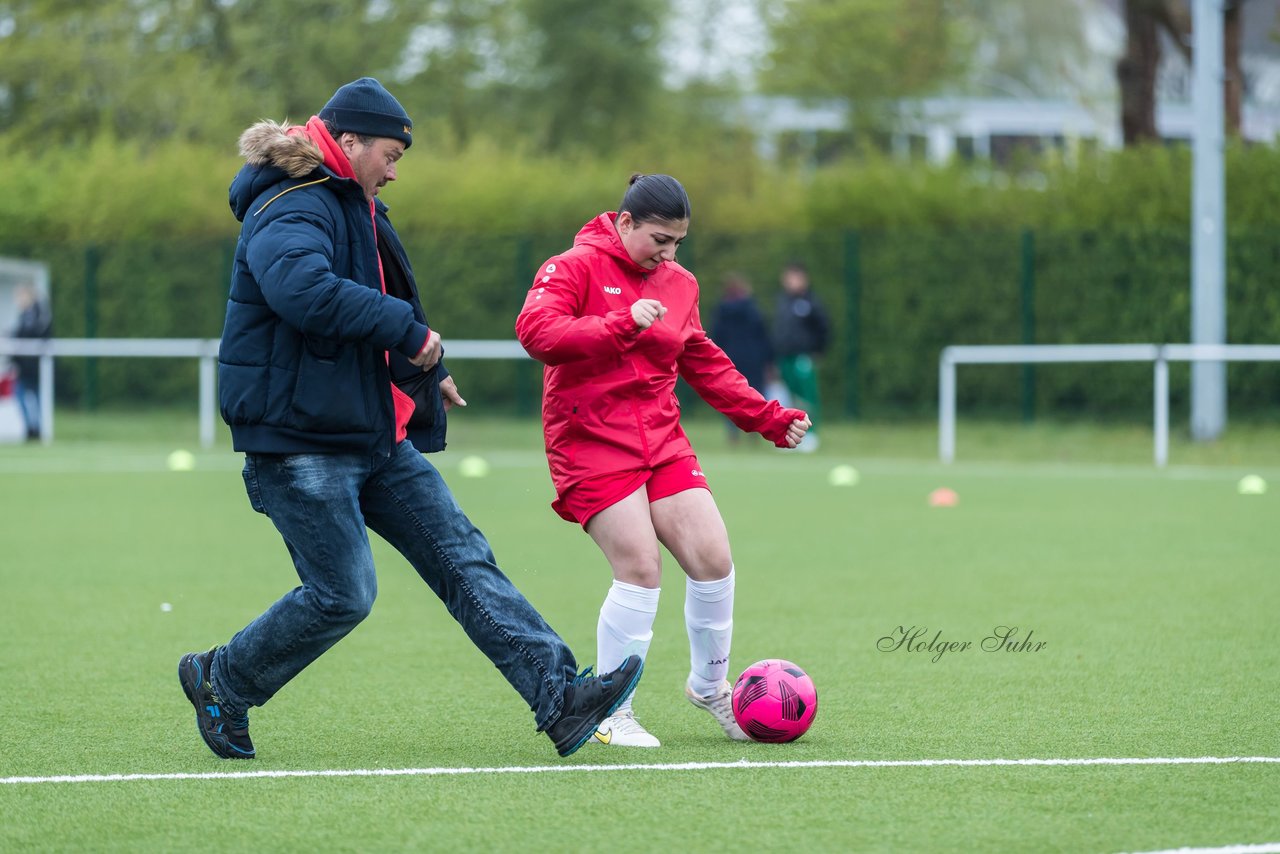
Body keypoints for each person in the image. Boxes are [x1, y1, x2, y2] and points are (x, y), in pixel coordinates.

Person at [180, 77, 641, 761]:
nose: (396, 168)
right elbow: (304, 294)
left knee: (463, 558)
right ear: (349, 140)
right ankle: (223, 678)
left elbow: (370, 306)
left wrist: (423, 367)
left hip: (369, 433)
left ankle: (559, 697)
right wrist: (407, 330)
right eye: (391, 153)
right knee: (344, 595)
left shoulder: (354, 203)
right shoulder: (290, 205)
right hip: (299, 441)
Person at [515, 174, 812, 748]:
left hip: (661, 438)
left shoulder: (679, 284)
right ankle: (611, 711)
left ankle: (710, 687)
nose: (668, 253)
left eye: (678, 242)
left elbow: (702, 359)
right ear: (624, 223)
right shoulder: (573, 266)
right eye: (659, 239)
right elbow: (536, 332)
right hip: (589, 440)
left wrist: (766, 417)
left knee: (713, 558)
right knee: (640, 568)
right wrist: (619, 325)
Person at [772, 261, 829, 452]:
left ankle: (811, 436)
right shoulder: (783, 301)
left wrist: (817, 351)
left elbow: (823, 329)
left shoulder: (811, 302)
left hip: (803, 357)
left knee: (807, 396)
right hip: (784, 357)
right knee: (788, 397)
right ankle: (789, 437)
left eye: (795, 277)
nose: (791, 281)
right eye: (788, 277)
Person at [709, 274, 773, 444]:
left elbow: (715, 337)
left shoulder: (721, 311)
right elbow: (764, 337)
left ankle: (733, 435)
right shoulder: (754, 310)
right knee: (755, 393)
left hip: (729, 358)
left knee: (730, 395)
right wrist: (769, 362)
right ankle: (756, 432)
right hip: (754, 359)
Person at [9, 285, 51, 441]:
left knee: (37, 397)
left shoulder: (38, 313)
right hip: (23, 366)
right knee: (19, 395)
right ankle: (30, 428)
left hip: (34, 366)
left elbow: (41, 333)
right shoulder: (23, 315)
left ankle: (38, 428)